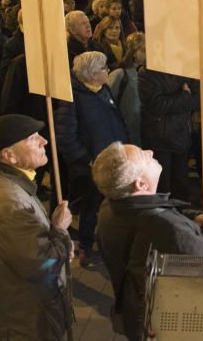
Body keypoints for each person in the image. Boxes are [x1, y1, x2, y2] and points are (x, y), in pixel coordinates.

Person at [94, 143, 203, 341]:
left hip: (136, 312)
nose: (151, 151)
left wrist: (191, 218)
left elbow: (157, 213)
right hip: (174, 322)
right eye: (144, 155)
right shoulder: (170, 229)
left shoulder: (109, 205)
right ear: (140, 184)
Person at [0, 114, 74, 340]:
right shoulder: (11, 204)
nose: (44, 141)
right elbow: (43, 265)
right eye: (33, 138)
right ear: (10, 155)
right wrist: (60, 231)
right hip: (20, 322)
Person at [55, 51, 129, 267]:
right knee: (91, 207)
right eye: (104, 69)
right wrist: (88, 160)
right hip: (93, 165)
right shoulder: (73, 98)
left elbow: (117, 118)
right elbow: (66, 137)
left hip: (115, 157)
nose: (108, 71)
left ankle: (113, 244)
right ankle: (86, 248)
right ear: (92, 74)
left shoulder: (103, 89)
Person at [138, 65, 199, 203]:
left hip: (181, 134)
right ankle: (162, 219)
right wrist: (184, 96)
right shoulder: (148, 72)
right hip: (158, 138)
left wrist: (181, 99)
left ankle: (181, 218)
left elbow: (197, 100)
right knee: (161, 186)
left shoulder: (186, 69)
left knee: (181, 183)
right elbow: (156, 105)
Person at [108, 32, 145, 147]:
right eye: (143, 50)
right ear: (133, 52)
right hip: (125, 135)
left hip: (144, 133)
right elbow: (108, 105)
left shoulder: (148, 73)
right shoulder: (120, 73)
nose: (147, 54)